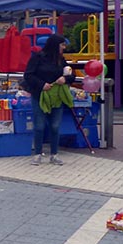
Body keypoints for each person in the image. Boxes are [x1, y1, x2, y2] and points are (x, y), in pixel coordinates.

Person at [24, 34, 75, 165]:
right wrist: (42, 84)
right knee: (39, 126)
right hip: (39, 95)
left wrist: (65, 79)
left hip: (56, 97)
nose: (64, 48)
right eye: (62, 45)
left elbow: (71, 75)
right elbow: (28, 75)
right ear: (55, 45)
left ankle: (54, 154)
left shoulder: (61, 60)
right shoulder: (37, 58)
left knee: (55, 126)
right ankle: (37, 153)